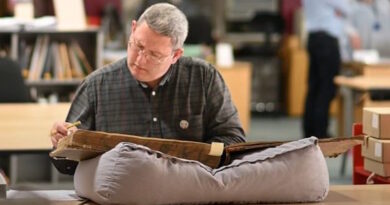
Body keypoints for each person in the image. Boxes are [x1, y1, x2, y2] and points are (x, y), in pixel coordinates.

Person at [50, 3, 246, 175]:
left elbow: (233, 140)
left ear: (176, 55)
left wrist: (194, 160)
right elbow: (68, 165)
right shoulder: (97, 85)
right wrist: (60, 143)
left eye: (154, 55)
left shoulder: (203, 78)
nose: (140, 59)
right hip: (121, 189)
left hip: (188, 184)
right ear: (133, 29)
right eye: (138, 45)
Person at [302, 0, 357, 138]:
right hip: (327, 40)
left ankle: (309, 130)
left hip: (313, 38)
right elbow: (348, 8)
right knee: (326, 88)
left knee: (314, 87)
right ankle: (320, 133)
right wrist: (338, 12)